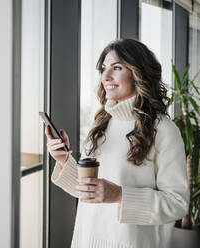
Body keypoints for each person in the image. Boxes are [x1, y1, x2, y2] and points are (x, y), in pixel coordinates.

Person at [45, 39, 189, 248]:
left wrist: (120, 195)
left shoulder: (164, 130)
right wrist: (63, 161)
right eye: (103, 68)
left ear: (138, 73)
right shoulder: (102, 122)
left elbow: (177, 203)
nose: (106, 76)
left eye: (117, 68)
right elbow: (90, 191)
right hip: (87, 239)